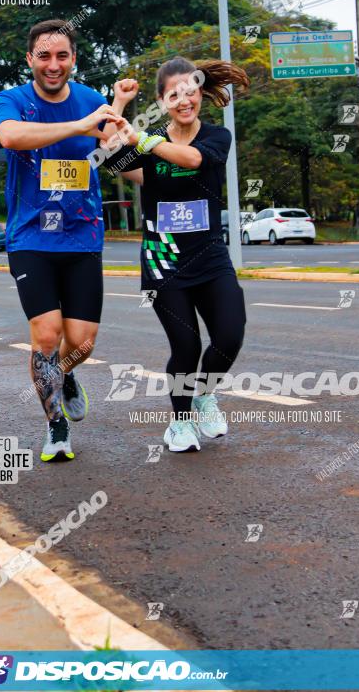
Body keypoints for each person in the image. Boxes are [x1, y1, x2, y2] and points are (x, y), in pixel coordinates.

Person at [0, 18, 134, 462]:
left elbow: (114, 158)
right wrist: (81, 125)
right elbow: (11, 136)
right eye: (45, 56)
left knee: (82, 342)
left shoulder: (93, 100)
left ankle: (66, 375)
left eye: (63, 56)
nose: (54, 65)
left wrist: (122, 124)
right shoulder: (12, 100)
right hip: (31, 236)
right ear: (30, 59)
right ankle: (56, 428)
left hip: (82, 236)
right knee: (47, 335)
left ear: (73, 59)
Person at [104, 56, 250, 452]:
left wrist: (146, 141)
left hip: (210, 256)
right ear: (162, 99)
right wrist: (118, 105)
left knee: (229, 335)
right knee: (185, 346)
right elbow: (114, 156)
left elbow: (193, 160)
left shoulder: (217, 137)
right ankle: (180, 424)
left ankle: (204, 396)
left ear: (200, 92)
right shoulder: (148, 141)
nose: (184, 100)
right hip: (163, 261)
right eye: (174, 94)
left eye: (190, 91)